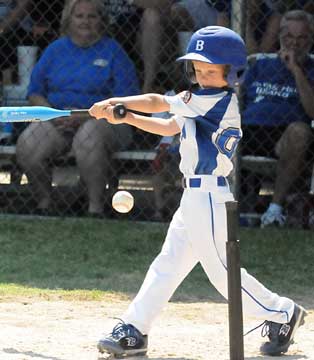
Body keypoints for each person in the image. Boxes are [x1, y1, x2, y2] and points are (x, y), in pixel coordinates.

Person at [89, 26, 307, 357]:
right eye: (198, 68)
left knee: (222, 272)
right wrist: (127, 117)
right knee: (168, 265)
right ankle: (134, 329)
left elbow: (158, 101)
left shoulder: (216, 102)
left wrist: (116, 101)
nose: (203, 75)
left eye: (211, 69)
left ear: (231, 73)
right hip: (194, 197)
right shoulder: (199, 102)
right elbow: (167, 124)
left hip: (208, 196)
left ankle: (282, 314)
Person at [16, 0, 140, 217]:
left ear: (101, 21)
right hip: (58, 117)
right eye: (79, 16)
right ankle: (44, 205)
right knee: (28, 144)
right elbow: (34, 92)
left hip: (104, 121)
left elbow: (124, 100)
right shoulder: (55, 50)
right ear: (68, 20)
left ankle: (94, 209)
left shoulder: (113, 51)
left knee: (88, 138)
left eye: (92, 16)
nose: (85, 21)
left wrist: (85, 116)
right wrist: (53, 115)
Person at [241, 10, 314, 227]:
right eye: (289, 37)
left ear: (310, 39)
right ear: (280, 37)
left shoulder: (311, 69)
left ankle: (274, 211)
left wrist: (295, 70)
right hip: (248, 129)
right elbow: (238, 98)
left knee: (300, 131)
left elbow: (312, 111)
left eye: (301, 38)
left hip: (283, 136)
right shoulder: (260, 64)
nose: (294, 43)